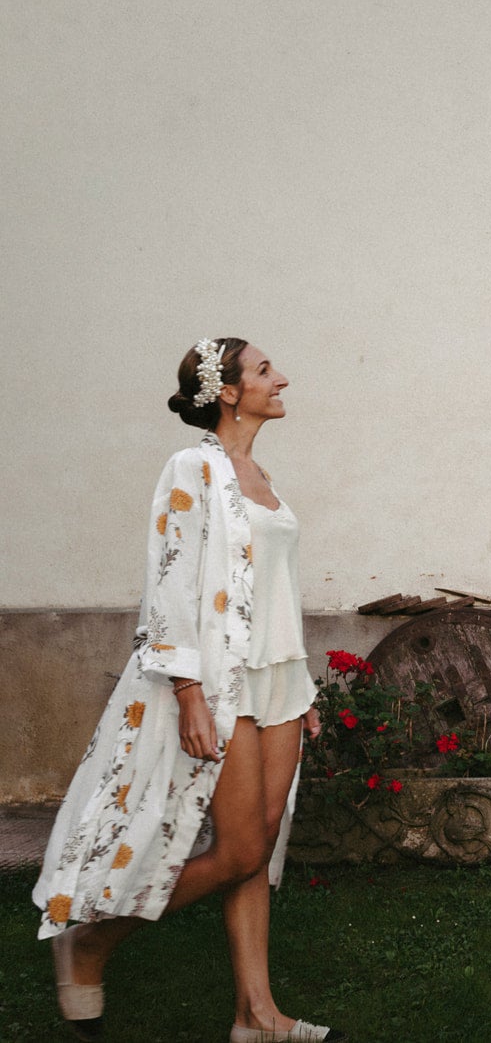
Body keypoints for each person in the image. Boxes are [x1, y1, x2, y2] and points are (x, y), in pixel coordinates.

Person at [33, 339, 345, 1043]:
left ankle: (255, 1016)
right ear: (228, 391)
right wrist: (187, 692)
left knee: (259, 847)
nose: (283, 377)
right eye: (266, 370)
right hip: (224, 682)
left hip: (282, 682)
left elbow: (274, 589)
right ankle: (91, 945)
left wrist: (305, 684)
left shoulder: (261, 474)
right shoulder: (193, 468)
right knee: (236, 849)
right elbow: (170, 579)